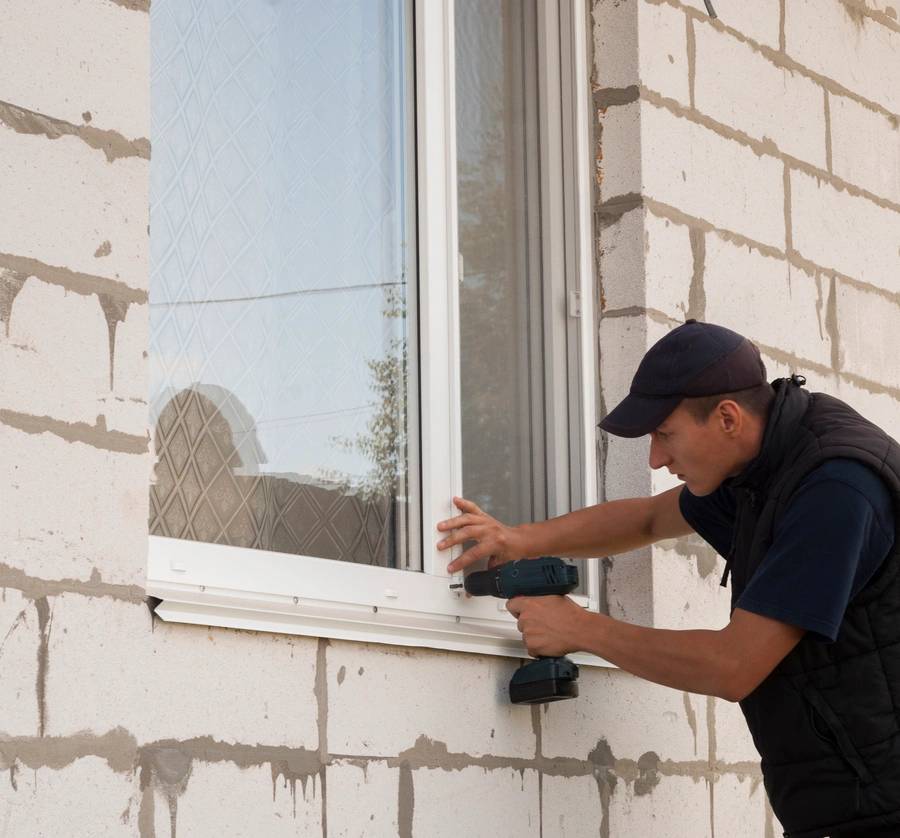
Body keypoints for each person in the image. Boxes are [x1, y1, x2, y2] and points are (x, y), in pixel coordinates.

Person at [437, 320, 900, 838]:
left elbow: (733, 666)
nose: (656, 459)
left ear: (727, 417)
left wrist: (581, 629)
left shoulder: (834, 488)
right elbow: (649, 519)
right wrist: (518, 539)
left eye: (664, 434)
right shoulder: (764, 461)